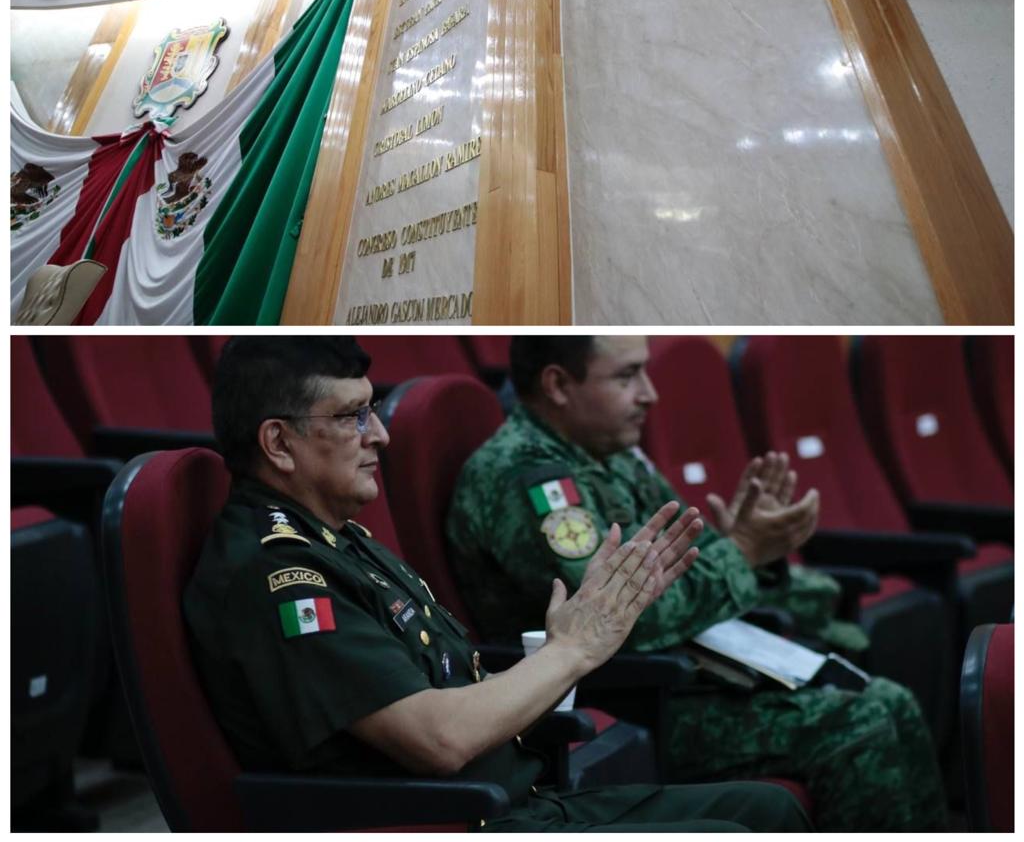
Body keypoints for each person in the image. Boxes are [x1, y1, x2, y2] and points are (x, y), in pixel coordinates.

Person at [184, 336, 812, 832]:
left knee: (769, 812)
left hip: (515, 800)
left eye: (372, 409)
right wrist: (572, 651)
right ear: (279, 442)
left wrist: (572, 645)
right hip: (444, 819)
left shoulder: (340, 539)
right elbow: (439, 737)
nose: (380, 434)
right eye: (351, 417)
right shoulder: (278, 573)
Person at [447, 336, 948, 831]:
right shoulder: (530, 479)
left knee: (893, 701)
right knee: (861, 726)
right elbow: (629, 621)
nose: (650, 393)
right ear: (557, 383)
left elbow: (689, 560)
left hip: (693, 672)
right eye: (626, 376)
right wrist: (743, 551)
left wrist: (752, 547)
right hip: (622, 699)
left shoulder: (610, 453)